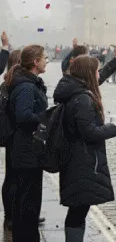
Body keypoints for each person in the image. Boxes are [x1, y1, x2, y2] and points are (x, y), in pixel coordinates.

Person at [55, 55, 116, 241]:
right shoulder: (82, 99)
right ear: (88, 73)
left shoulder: (75, 90)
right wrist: (114, 128)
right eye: (96, 70)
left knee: (79, 209)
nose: (98, 73)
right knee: (78, 210)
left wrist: (115, 61)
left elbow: (97, 80)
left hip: (76, 158)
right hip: (81, 160)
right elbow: (89, 132)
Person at [7, 45, 48, 241]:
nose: (47, 61)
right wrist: (46, 117)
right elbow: (24, 116)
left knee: (27, 200)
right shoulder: (26, 86)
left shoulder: (28, 83)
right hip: (26, 150)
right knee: (27, 201)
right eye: (45, 58)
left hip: (27, 150)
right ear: (35, 62)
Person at [1, 47, 21, 231]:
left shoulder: (8, 81)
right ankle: (11, 216)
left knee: (11, 176)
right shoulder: (15, 83)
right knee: (14, 178)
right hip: (16, 136)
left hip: (10, 135)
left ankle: (12, 215)